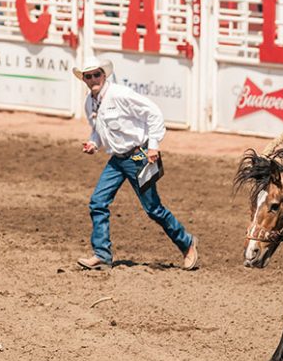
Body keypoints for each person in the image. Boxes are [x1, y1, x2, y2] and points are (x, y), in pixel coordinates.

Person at [75, 57, 199, 270]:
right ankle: (102, 255)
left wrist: (153, 145)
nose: (93, 79)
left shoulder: (121, 95)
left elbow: (153, 113)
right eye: (89, 76)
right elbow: (98, 131)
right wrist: (93, 144)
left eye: (97, 74)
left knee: (153, 209)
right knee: (97, 202)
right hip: (118, 159)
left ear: (104, 75)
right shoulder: (90, 102)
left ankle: (187, 243)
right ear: (84, 79)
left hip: (138, 156)